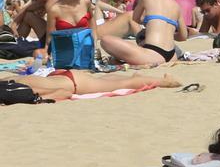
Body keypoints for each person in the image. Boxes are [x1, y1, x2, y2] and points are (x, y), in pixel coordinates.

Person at [100, 0, 187, 64]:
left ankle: (119, 61)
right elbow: (183, 36)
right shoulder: (176, 6)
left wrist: (151, 26)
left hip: (152, 54)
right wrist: (167, 32)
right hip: (172, 55)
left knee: (105, 40)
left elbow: (135, 19)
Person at [2, 70, 182, 101]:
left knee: (121, 84)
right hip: (65, 76)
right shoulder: (11, 82)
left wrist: (48, 99)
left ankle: (165, 82)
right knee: (109, 80)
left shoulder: (22, 90)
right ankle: (140, 76)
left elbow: (62, 93)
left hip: (72, 83)